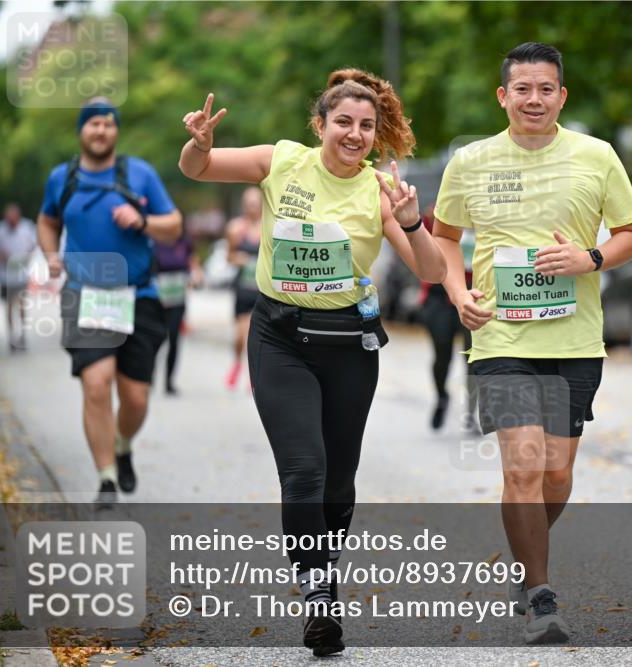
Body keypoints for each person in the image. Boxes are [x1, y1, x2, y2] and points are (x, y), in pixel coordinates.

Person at [178, 70, 446, 656]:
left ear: (377, 136)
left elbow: (431, 272)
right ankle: (319, 595)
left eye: (366, 126)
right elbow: (196, 170)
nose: (354, 134)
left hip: (350, 347)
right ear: (320, 125)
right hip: (280, 340)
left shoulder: (381, 191)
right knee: (304, 469)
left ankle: (321, 572)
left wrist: (409, 223)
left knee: (339, 482)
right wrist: (198, 144)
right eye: (343, 122)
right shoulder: (282, 162)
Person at [432, 42, 632, 644]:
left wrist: (591, 256)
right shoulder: (470, 161)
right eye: (522, 88)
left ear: (561, 96)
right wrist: (457, 290)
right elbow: (444, 237)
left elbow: (631, 235)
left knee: (556, 473)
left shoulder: (596, 156)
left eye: (545, 88)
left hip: (575, 338)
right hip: (500, 333)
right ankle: (542, 596)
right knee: (522, 465)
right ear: (503, 96)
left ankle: (526, 560)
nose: (533, 99)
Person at [37, 98, 183, 502]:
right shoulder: (60, 178)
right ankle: (105, 477)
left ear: (116, 131)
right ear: (81, 130)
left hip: (140, 294)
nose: (101, 130)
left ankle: (122, 446)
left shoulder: (140, 173)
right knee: (97, 385)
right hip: (84, 294)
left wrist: (143, 221)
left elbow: (173, 226)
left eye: (108, 124)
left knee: (135, 397)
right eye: (93, 124)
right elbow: (47, 220)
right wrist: (51, 254)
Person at [417, 206, 477, 431]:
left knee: (473, 357)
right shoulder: (437, 215)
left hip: (475, 292)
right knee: (442, 354)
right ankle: (442, 396)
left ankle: (471, 413)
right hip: (439, 295)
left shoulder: (488, 216)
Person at [153, 231, 203, 396]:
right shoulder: (155, 241)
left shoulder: (184, 243)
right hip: (156, 297)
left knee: (173, 337)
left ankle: (169, 381)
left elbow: (193, 263)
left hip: (177, 298)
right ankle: (147, 377)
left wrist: (196, 276)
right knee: (156, 338)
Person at [224, 186, 262, 390]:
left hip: (262, 289)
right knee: (240, 335)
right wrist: (242, 259)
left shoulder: (270, 227)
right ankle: (237, 363)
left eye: (255, 204)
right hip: (243, 288)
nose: (252, 208)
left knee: (256, 336)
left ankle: (253, 374)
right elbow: (228, 257)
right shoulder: (235, 228)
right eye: (248, 204)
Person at [0, 204, 38, 351]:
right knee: (9, 306)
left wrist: (26, 256)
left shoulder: (27, 227)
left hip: (21, 274)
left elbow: (34, 246)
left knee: (22, 305)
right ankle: (11, 337)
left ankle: (23, 334)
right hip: (6, 276)